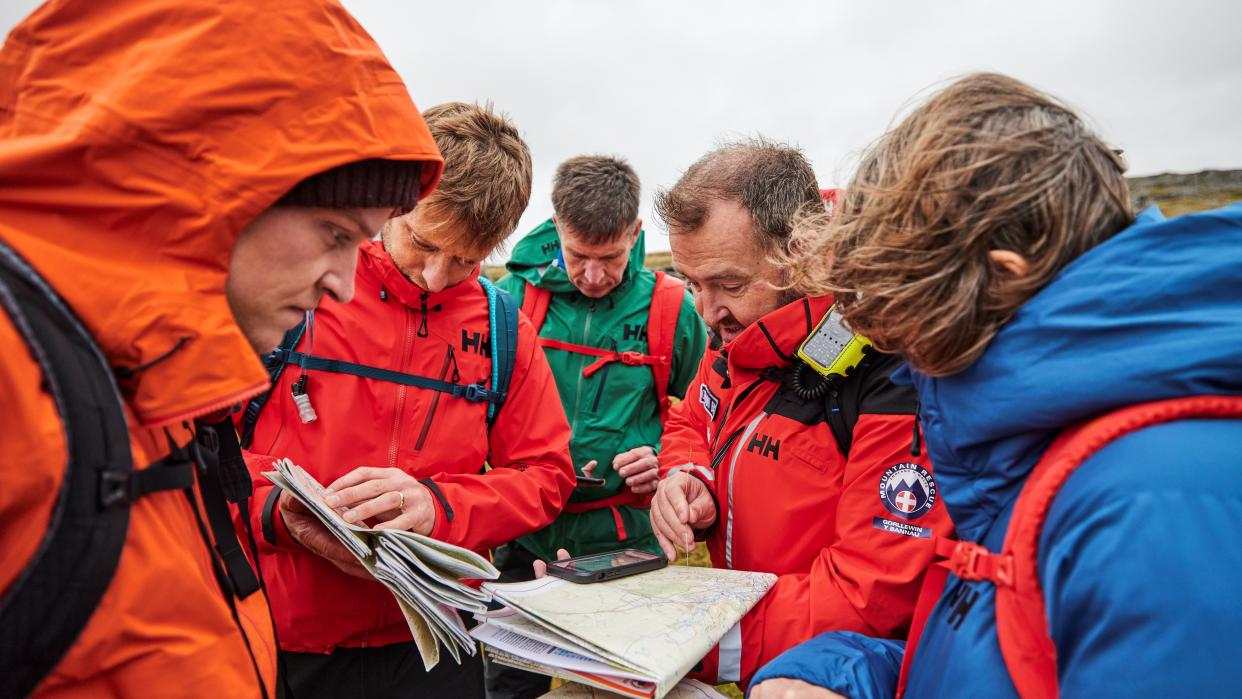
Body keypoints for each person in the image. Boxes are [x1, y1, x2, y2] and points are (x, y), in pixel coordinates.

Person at [748, 73, 1242, 698]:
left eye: (906, 315)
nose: (899, 354)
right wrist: (841, 673)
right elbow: (1010, 657)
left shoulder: (1160, 508)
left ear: (1000, 279)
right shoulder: (1046, 432)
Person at [0, 0, 443, 696]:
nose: (347, 287)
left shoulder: (150, 377)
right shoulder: (20, 382)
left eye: (363, 245)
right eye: (333, 233)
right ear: (201, 192)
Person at [237, 101, 575, 698]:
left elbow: (546, 475)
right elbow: (194, 455)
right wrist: (277, 513)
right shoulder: (301, 288)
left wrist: (441, 506)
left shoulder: (503, 327)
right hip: (280, 642)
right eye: (423, 242)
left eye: (468, 259)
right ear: (397, 204)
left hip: (435, 647)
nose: (437, 277)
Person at [647, 139, 954, 691]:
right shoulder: (733, 334)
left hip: (843, 673)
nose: (706, 310)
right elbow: (691, 420)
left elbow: (870, 595)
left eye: (730, 285)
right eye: (692, 284)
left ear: (804, 251)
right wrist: (691, 476)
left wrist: (683, 638)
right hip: (765, 652)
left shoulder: (892, 364)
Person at [490, 155, 707, 698]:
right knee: (508, 685)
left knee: (627, 686)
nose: (592, 275)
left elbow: (706, 414)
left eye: (609, 258)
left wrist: (663, 457)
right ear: (557, 227)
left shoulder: (673, 309)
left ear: (635, 233)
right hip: (523, 534)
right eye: (578, 256)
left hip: (625, 545)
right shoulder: (514, 300)